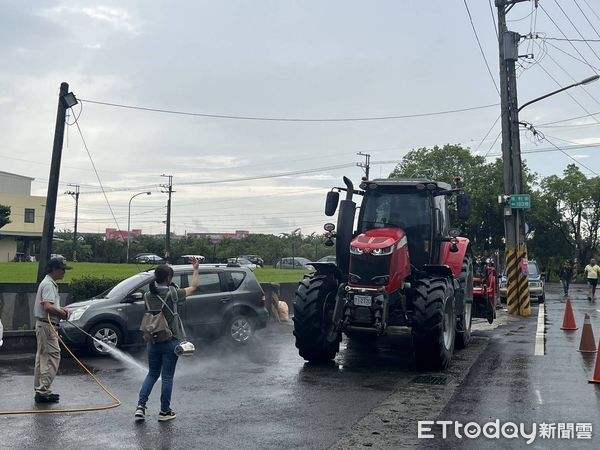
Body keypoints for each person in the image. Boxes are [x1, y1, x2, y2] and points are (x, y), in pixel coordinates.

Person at [135, 258, 200, 422]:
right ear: (169, 278)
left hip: (153, 340)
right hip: (170, 341)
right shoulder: (173, 293)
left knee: (152, 374)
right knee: (167, 377)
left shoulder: (147, 295)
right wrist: (196, 269)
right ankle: (164, 412)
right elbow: (194, 287)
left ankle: (140, 407)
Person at [33, 257, 72, 403]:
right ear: (54, 270)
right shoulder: (49, 284)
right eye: (62, 270)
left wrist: (61, 309)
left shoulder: (48, 283)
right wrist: (62, 313)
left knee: (42, 357)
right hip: (47, 326)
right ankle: (43, 391)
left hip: (43, 325)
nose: (64, 273)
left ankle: (41, 389)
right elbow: (48, 307)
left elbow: (49, 305)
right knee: (52, 357)